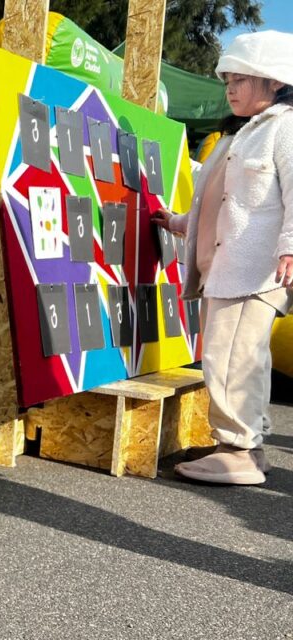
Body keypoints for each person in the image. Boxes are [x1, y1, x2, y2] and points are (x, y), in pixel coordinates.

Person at [151, 30, 293, 485]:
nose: (229, 88)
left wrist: (291, 243)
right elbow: (219, 202)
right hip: (231, 269)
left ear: (273, 82)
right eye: (227, 80)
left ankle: (237, 449)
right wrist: (178, 223)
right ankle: (248, 447)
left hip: (255, 270)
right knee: (239, 356)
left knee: (231, 357)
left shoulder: (284, 128)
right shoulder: (244, 135)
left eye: (239, 79)